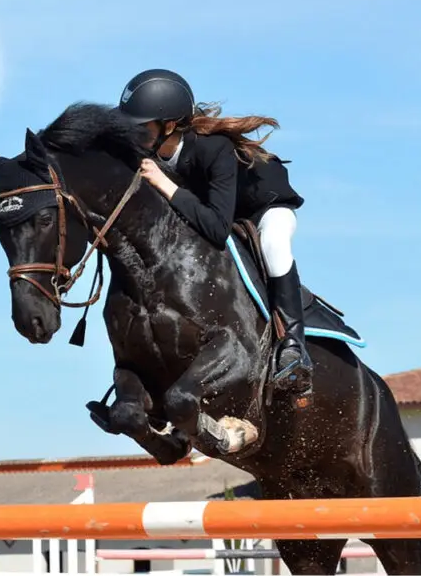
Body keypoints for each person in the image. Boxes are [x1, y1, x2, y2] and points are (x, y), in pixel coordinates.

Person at [116, 68, 314, 396]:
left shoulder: (214, 148)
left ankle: (293, 347)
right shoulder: (151, 152)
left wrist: (164, 184)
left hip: (263, 206)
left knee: (274, 244)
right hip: (215, 209)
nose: (133, 135)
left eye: (141, 127)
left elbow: (217, 229)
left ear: (169, 126)